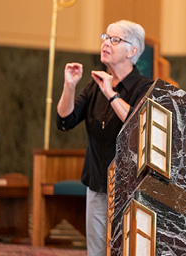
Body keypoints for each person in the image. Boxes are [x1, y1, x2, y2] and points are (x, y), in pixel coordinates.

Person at [56, 20, 153, 255]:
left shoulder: (144, 87)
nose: (106, 43)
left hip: (131, 189)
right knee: (97, 251)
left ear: (132, 51)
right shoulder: (94, 85)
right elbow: (65, 121)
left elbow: (138, 125)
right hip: (98, 183)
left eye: (115, 39)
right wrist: (69, 86)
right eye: (105, 37)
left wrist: (110, 93)